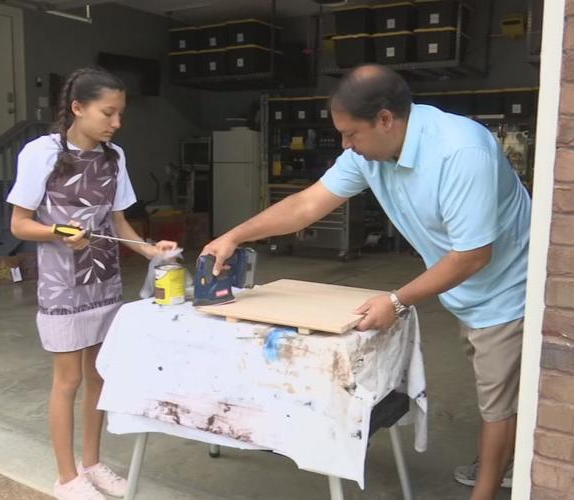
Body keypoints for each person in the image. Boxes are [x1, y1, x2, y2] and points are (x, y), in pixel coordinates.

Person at [201, 64, 530, 500]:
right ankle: (506, 459)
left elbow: (472, 255)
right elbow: (307, 205)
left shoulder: (460, 152)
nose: (345, 145)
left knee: (497, 404)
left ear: (386, 119)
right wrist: (234, 235)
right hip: (465, 289)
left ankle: (488, 489)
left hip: (507, 290)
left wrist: (396, 300)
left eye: (351, 134)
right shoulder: (368, 154)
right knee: (504, 393)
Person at [8, 67, 177, 500]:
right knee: (67, 382)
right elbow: (20, 224)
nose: (116, 123)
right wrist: (61, 233)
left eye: (120, 114)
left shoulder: (114, 156)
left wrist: (150, 251)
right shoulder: (41, 152)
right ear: (77, 108)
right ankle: (66, 478)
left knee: (99, 375)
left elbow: (118, 221)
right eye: (108, 113)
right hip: (63, 284)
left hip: (104, 279)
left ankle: (93, 464)